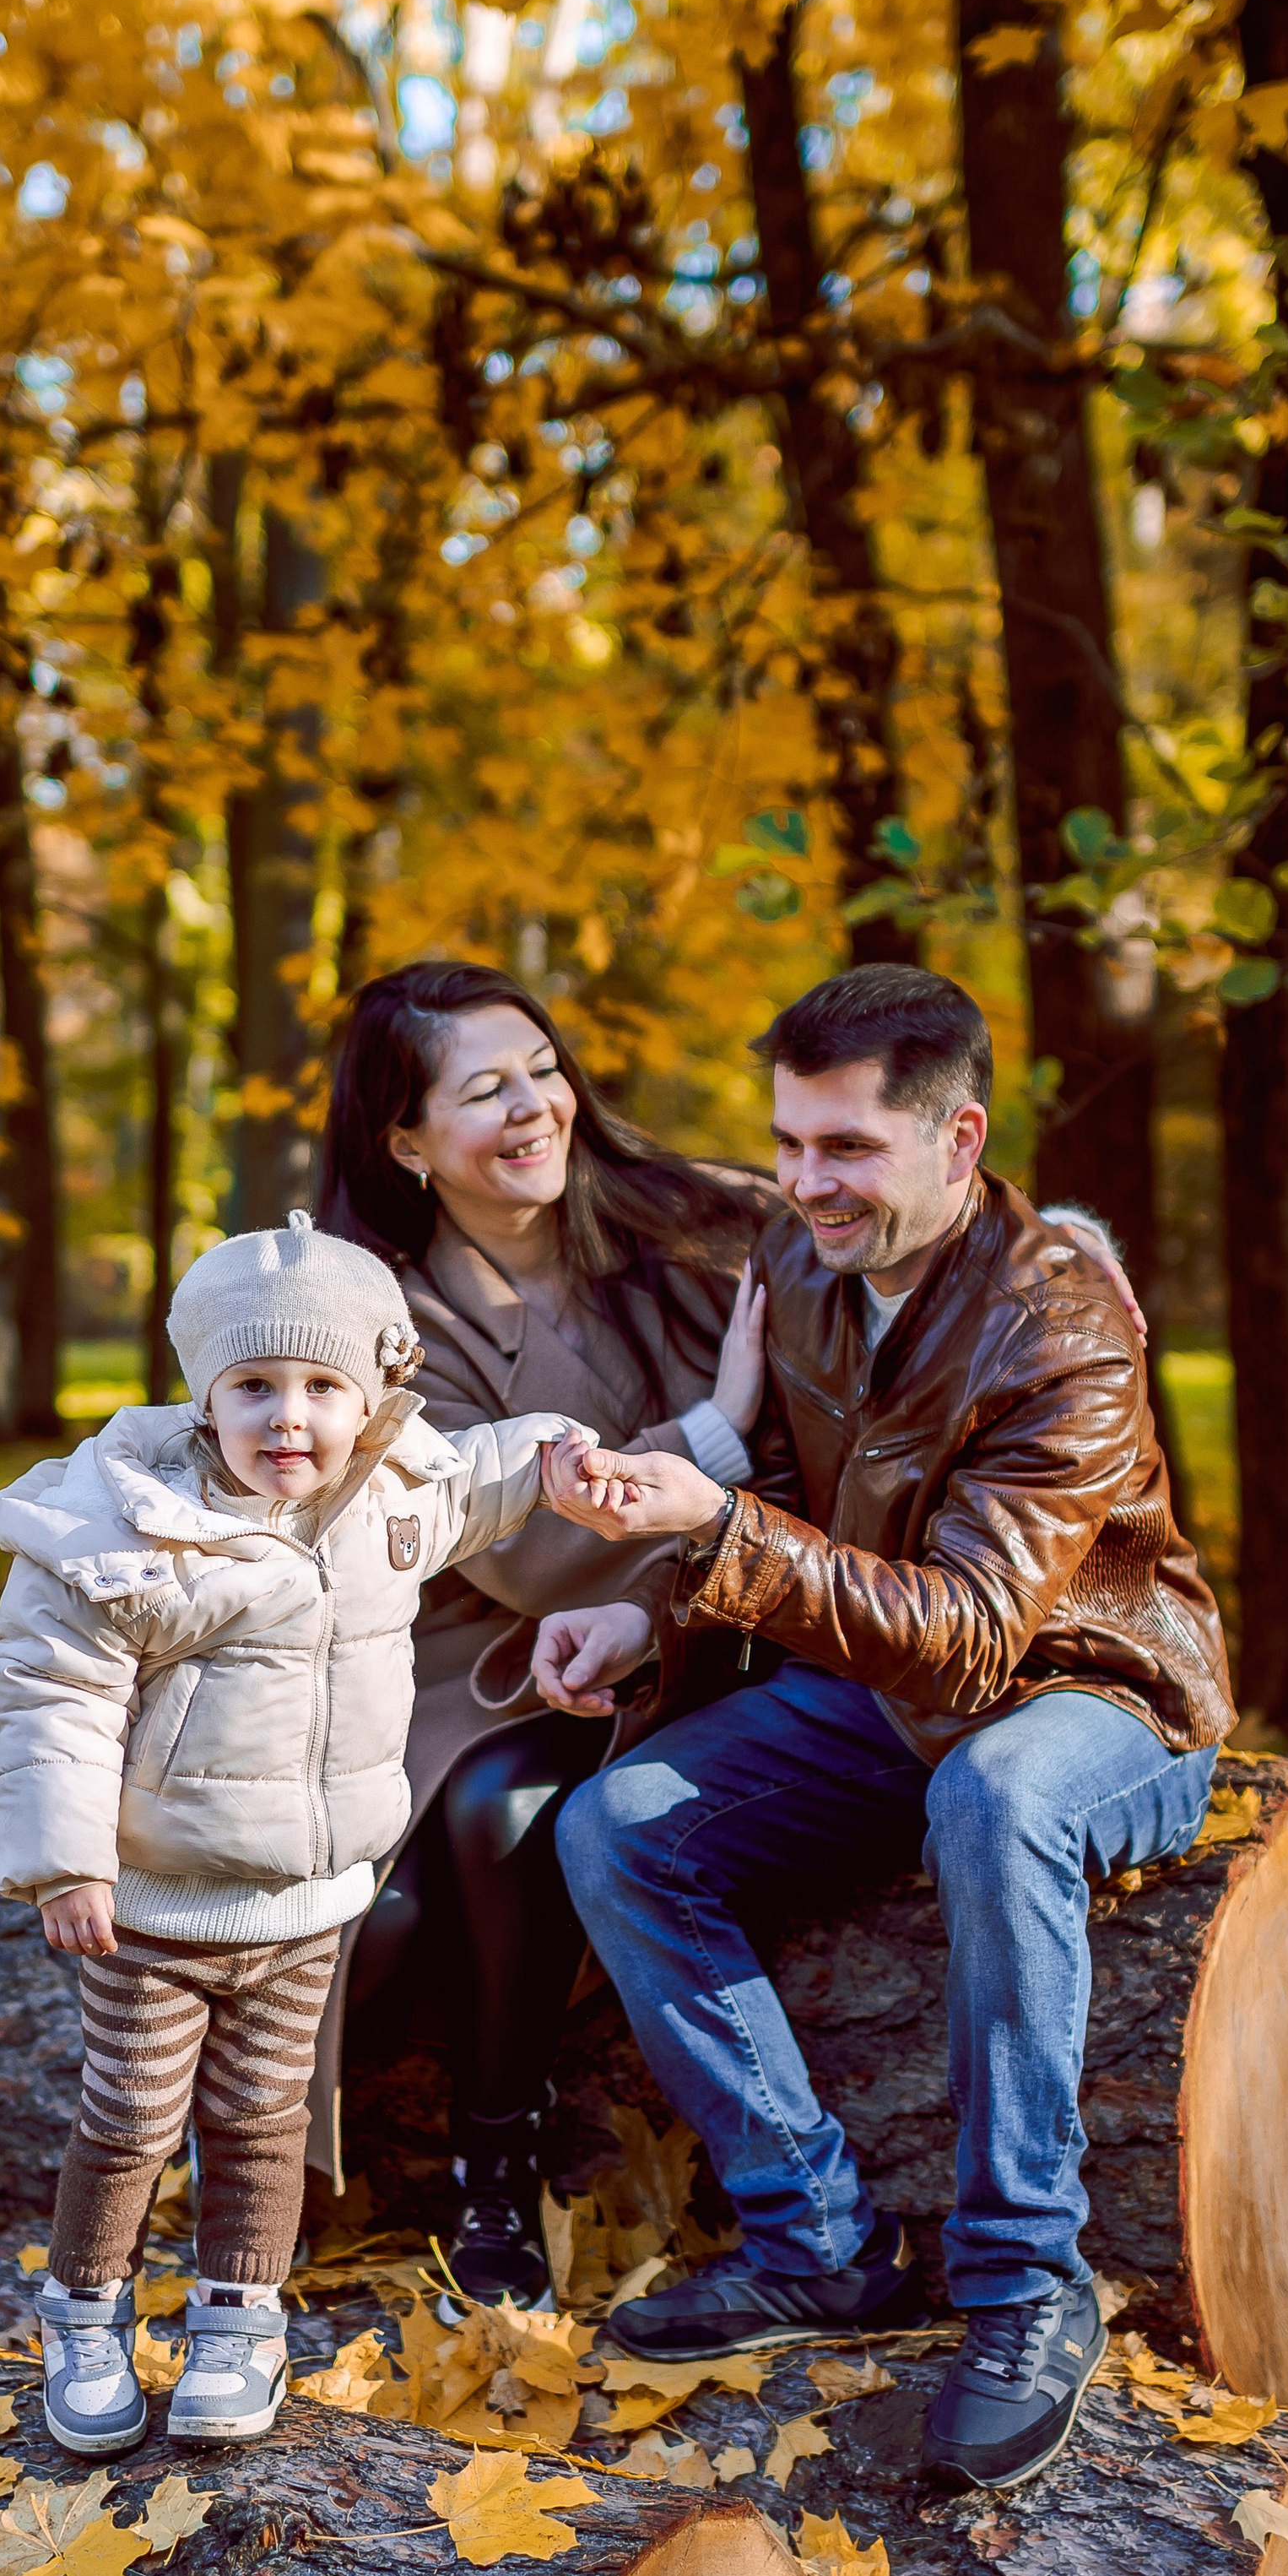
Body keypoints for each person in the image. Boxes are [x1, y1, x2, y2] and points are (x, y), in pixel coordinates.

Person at [532, 963, 1234, 2493]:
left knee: (999, 1796)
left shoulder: (1061, 1329)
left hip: (1089, 1691)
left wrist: (716, 1527)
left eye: (846, 1147)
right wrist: (652, 1617)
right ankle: (817, 2243)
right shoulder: (804, 1262)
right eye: (790, 1143)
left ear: (958, 1139)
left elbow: (975, 1633)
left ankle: (1026, 2284)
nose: (805, 1182)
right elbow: (795, 1497)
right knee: (616, 1826)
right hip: (887, 1692)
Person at [0, 1209, 583, 2457]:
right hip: (155, 1907)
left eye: (322, 1388)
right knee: (131, 2121)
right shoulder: (130, 1528)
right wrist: (68, 1864)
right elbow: (53, 1699)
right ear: (206, 1395)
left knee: (263, 2123)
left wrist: (571, 1460)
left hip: (307, 1908)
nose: (289, 1419)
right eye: (253, 1386)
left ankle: (237, 2320)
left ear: (372, 1398)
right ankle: (84, 2315)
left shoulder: (389, 1500)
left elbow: (486, 1474)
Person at [314, 962, 772, 2304]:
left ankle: (495, 2169)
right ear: (407, 1142)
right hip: (482, 1658)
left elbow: (891, 1203)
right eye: (484, 1091)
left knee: (500, 1811)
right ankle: (218, 2165)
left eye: (542, 1069)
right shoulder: (391, 1318)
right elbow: (517, 1546)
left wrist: (1060, 1241)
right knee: (381, 1928)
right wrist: (717, 1431)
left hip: (694, 1619)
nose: (533, 1108)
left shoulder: (682, 1217)